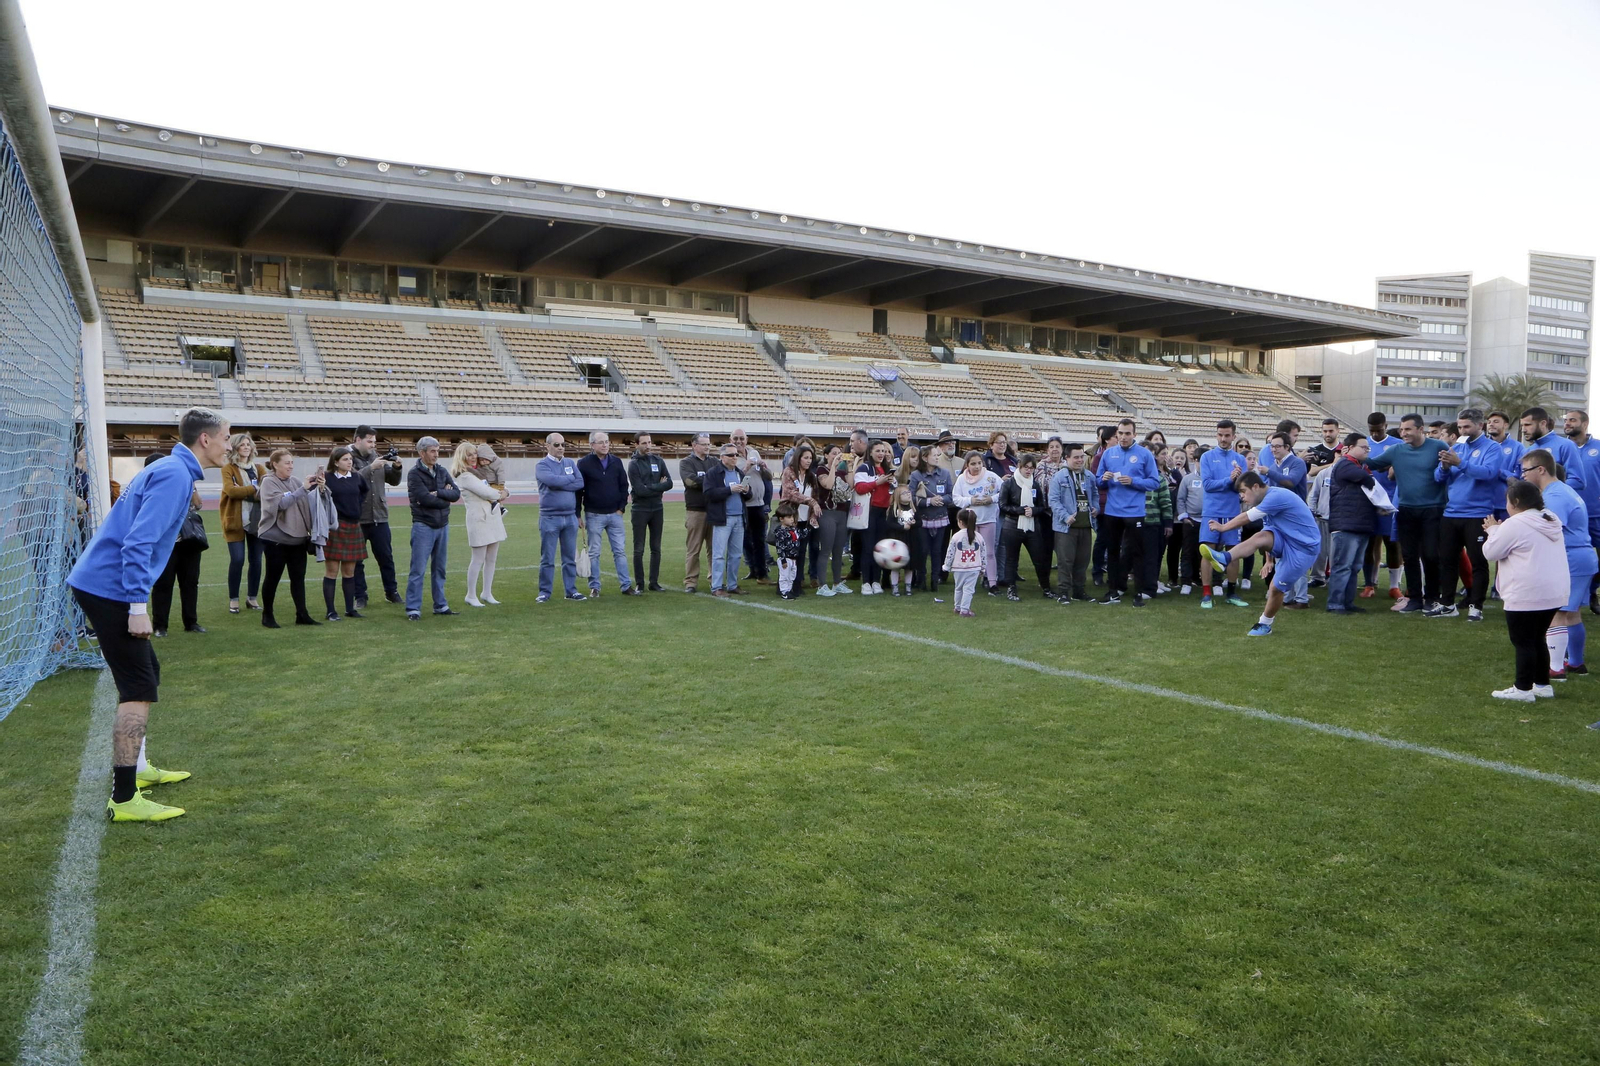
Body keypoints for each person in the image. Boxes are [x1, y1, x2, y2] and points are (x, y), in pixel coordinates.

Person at [67, 407, 229, 822]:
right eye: (226, 437)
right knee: (138, 687)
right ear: (206, 439)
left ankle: (138, 769)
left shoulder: (173, 469)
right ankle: (124, 799)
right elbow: (138, 543)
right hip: (110, 588)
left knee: (147, 673)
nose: (229, 446)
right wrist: (138, 608)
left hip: (102, 584)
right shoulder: (174, 474)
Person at [1201, 471, 1321, 637]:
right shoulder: (1266, 501)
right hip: (1286, 539)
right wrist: (1269, 561)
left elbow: (1248, 517)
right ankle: (1224, 558)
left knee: (1276, 588)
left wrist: (1223, 527)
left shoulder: (1276, 496)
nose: (1242, 497)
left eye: (1243, 491)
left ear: (1256, 487)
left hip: (1303, 549)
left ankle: (1265, 624)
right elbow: (1267, 534)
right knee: (1260, 536)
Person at [1481, 479, 1567, 701]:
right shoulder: (1550, 518)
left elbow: (1491, 552)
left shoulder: (1516, 523)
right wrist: (1498, 530)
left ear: (1516, 502)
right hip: (1553, 591)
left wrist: (1493, 530)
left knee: (1523, 641)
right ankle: (1542, 685)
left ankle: (1523, 689)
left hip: (1526, 592)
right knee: (1538, 638)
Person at [1517, 449, 1597, 680]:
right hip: (1581, 558)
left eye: (1526, 470)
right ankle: (1576, 663)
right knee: (1572, 614)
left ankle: (1555, 668)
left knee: (1556, 612)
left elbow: (1549, 529)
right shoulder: (1563, 490)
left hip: (1571, 558)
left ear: (1541, 470)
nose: (1523, 475)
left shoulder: (1555, 496)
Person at [1366, 413, 1450, 614]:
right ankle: (1415, 598)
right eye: (1401, 429)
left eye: (1408, 429)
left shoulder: (1438, 446)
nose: (1403, 433)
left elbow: (1449, 470)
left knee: (1431, 555)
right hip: (1405, 509)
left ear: (1421, 429)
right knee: (1409, 555)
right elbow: (1372, 464)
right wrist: (1350, 454)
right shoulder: (1396, 450)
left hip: (1433, 509)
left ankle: (1432, 597)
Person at [1431, 408, 1499, 621]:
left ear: (1480, 425)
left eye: (1467, 426)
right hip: (1452, 512)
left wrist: (1459, 463)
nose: (1462, 430)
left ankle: (1476, 606)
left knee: (1478, 562)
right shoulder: (1457, 447)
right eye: (1460, 427)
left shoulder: (1492, 448)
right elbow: (1438, 478)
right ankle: (1447, 604)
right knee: (1447, 560)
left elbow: (1489, 473)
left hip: (1477, 513)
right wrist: (1444, 467)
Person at [1093, 418, 1158, 607]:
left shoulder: (1144, 454)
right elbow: (1098, 481)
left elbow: (1154, 482)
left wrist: (1133, 481)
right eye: (1120, 433)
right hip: (1112, 512)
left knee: (1137, 553)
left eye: (1127, 433)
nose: (1123, 437)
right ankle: (1113, 591)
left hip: (1135, 512)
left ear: (1134, 434)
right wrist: (1103, 479)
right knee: (1113, 552)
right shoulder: (1108, 453)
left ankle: (1138, 593)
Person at [258, 448, 321, 629]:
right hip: (275, 539)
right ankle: (267, 615)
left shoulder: (295, 481)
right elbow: (281, 504)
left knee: (298, 578)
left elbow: (307, 501)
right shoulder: (268, 482)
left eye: (292, 462)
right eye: (287, 463)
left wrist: (317, 486)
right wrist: (303, 489)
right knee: (273, 578)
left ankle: (302, 614)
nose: (291, 466)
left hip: (298, 539)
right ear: (275, 464)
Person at [148, 455, 206, 638]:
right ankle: (160, 626)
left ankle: (191, 622)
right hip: (165, 544)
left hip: (189, 540)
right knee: (163, 584)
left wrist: (192, 485)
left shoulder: (183, 482)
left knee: (190, 582)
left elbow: (198, 504)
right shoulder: (151, 488)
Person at [405, 435, 460, 620]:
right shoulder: (414, 474)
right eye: (432, 451)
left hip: (442, 525)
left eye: (438, 451)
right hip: (423, 525)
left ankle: (441, 605)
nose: (436, 454)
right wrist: (444, 498)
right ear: (422, 453)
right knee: (418, 569)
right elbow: (424, 498)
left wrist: (439, 493)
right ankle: (413, 608)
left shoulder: (442, 471)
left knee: (440, 568)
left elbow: (456, 494)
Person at [578, 430, 638, 597]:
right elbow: (579, 490)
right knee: (594, 552)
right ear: (592, 445)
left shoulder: (616, 461)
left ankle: (626, 586)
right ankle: (595, 587)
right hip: (594, 514)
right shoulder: (583, 464)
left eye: (606, 441)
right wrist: (577, 513)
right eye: (601, 442)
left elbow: (624, 486)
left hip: (615, 515)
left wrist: (621, 508)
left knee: (620, 551)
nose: (605, 445)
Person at [1197, 419, 1249, 609]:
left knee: (1233, 552)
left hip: (1232, 512)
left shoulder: (1240, 459)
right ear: (1216, 435)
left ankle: (1231, 593)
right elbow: (1208, 485)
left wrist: (1238, 482)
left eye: (1227, 435)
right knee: (1207, 551)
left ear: (1234, 436)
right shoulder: (1207, 457)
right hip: (1211, 512)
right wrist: (1229, 479)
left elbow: (1241, 488)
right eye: (1220, 435)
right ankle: (1206, 594)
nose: (1223, 439)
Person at [350, 425, 403, 608]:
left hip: (379, 516)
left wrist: (397, 467)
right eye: (369, 441)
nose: (373, 445)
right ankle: (360, 596)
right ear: (358, 440)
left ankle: (391, 592)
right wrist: (370, 468)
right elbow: (350, 481)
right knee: (357, 561)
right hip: (357, 517)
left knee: (386, 557)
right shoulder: (346, 457)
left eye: (374, 441)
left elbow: (393, 481)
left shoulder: (376, 456)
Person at [1326, 434, 1377, 614]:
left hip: (1358, 524)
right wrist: (1369, 477)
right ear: (1350, 448)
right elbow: (1366, 479)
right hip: (1346, 525)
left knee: (1354, 567)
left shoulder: (1358, 465)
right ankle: (1335, 604)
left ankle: (1347, 603)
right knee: (1342, 566)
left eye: (1367, 448)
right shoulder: (1345, 464)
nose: (1367, 450)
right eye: (1363, 447)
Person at [1258, 433, 1310, 606]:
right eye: (1272, 446)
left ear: (1287, 447)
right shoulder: (1275, 466)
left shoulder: (1297, 463)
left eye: (1277, 446)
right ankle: (1286, 596)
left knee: (1297, 557)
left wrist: (1269, 472)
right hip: (1280, 518)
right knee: (1282, 557)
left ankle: (1301, 598)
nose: (1273, 449)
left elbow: (1291, 482)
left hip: (1296, 518)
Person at [320, 444, 370, 620]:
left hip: (353, 526)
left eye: (350, 459)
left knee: (349, 572)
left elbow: (364, 491)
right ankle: (331, 611)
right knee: (332, 571)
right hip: (335, 527)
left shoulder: (356, 477)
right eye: (345, 459)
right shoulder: (326, 477)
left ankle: (350, 609)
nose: (350, 462)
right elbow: (316, 495)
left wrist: (356, 505)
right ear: (335, 462)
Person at [456, 442, 509, 606]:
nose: (473, 457)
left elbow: (492, 488)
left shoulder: (479, 473)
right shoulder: (465, 476)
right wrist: (504, 493)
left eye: (474, 454)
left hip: (492, 518)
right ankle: (471, 595)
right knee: (478, 559)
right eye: (469, 455)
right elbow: (487, 492)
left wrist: (501, 492)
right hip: (479, 520)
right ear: (462, 457)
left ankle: (487, 593)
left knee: (491, 559)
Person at [536, 432, 586, 603]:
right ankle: (544, 592)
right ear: (547, 446)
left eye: (563, 445)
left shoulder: (570, 463)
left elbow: (580, 483)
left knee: (569, 558)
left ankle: (571, 591)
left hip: (570, 517)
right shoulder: (542, 465)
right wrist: (568, 479)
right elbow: (552, 481)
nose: (561, 448)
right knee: (547, 558)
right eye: (556, 445)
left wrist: (561, 482)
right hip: (550, 517)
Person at [220, 433, 265, 614]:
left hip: (257, 521)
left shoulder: (259, 468)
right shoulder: (228, 469)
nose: (246, 447)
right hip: (235, 521)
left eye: (248, 444)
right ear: (235, 448)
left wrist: (244, 491)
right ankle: (234, 599)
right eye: (242, 444)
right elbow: (231, 492)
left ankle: (252, 597)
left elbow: (266, 492)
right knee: (237, 560)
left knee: (256, 561)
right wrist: (254, 488)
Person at [1048, 443, 1097, 604]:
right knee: (1065, 561)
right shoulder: (1059, 477)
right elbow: (1053, 501)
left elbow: (1095, 494)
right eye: (1076, 457)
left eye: (1081, 457)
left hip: (1085, 526)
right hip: (1066, 528)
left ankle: (1079, 591)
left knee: (1082, 562)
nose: (1080, 460)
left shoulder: (1089, 476)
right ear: (1067, 458)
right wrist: (1065, 516)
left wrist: (1095, 508)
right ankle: (1063, 592)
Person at [999, 453, 1052, 601]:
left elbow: (1041, 506)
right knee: (1011, 559)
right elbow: (1002, 505)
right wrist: (1020, 510)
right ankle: (1011, 589)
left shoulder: (1034, 484)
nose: (1028, 471)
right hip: (1012, 525)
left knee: (1039, 558)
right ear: (1019, 467)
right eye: (1026, 467)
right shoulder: (1009, 484)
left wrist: (1033, 510)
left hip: (1032, 526)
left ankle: (1046, 588)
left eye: (1031, 468)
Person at [1363, 412, 1404, 600]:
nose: (1375, 434)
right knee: (1368, 544)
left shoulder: (1398, 444)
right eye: (1372, 430)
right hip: (1367, 501)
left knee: (1392, 543)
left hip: (1390, 500)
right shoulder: (1363, 444)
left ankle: (1394, 586)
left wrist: (1391, 467)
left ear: (1386, 426)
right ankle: (1369, 584)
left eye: (1379, 430)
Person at [1563, 409, 1600, 612]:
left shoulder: (1598, 447)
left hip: (1596, 514)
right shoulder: (1562, 447)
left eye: (1572, 420)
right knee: (1567, 559)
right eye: (1566, 420)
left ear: (1585, 424)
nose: (1567, 423)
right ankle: (1568, 598)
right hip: (1569, 515)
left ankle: (1592, 591)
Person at [704, 441, 751, 597]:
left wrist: (746, 490)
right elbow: (709, 493)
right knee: (719, 554)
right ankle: (716, 586)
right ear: (722, 457)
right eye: (731, 455)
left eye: (736, 454)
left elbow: (748, 496)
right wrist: (729, 490)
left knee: (736, 554)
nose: (734, 457)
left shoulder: (739, 473)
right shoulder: (713, 473)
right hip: (723, 519)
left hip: (739, 518)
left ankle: (732, 584)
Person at [627, 433, 672, 592]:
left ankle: (654, 582)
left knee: (656, 547)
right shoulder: (633, 464)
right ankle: (640, 583)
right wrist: (658, 487)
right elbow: (639, 490)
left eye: (649, 442)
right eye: (644, 443)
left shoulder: (658, 461)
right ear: (636, 444)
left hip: (657, 508)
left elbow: (669, 483)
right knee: (639, 548)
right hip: (640, 509)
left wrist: (650, 487)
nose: (648, 446)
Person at [952, 450, 1002, 591]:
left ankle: (992, 582)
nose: (977, 467)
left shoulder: (991, 477)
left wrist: (991, 499)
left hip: (988, 519)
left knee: (989, 552)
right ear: (967, 465)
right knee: (970, 551)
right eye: (973, 464)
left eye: (979, 463)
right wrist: (970, 501)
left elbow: (1004, 491)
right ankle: (969, 580)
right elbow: (956, 498)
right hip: (970, 522)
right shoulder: (962, 479)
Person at [729, 428, 772, 587]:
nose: (739, 441)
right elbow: (734, 479)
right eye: (736, 438)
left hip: (758, 504)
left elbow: (767, 477)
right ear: (730, 439)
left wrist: (764, 467)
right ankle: (753, 569)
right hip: (743, 504)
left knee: (759, 540)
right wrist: (746, 467)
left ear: (747, 439)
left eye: (742, 438)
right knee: (745, 541)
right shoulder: (731, 456)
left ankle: (762, 573)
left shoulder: (754, 452)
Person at [909, 448, 954, 598]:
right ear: (925, 457)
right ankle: (921, 580)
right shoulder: (916, 475)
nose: (937, 457)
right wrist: (929, 501)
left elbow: (951, 495)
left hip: (941, 518)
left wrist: (942, 499)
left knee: (937, 551)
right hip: (923, 520)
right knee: (923, 550)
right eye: (934, 455)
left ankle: (935, 581)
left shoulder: (945, 473)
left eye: (938, 455)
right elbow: (910, 497)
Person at [854, 440, 896, 594]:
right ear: (870, 452)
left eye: (883, 451)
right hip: (869, 511)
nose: (881, 454)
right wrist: (877, 482)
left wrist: (892, 483)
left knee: (879, 547)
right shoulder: (864, 468)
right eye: (878, 451)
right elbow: (859, 488)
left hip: (883, 512)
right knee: (868, 547)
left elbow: (891, 491)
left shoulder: (887, 469)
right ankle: (866, 582)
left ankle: (876, 581)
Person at [815, 443, 853, 596]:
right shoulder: (821, 470)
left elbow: (851, 485)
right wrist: (833, 467)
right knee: (826, 549)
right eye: (833, 453)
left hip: (841, 513)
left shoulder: (842, 472)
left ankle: (837, 583)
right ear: (826, 455)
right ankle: (822, 585)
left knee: (838, 551)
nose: (837, 456)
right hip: (827, 512)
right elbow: (828, 485)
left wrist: (850, 466)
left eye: (839, 453)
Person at [679, 433, 714, 593]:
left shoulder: (714, 461)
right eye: (704, 444)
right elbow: (690, 481)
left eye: (708, 444)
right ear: (694, 445)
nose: (707, 447)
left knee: (714, 550)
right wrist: (711, 481)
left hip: (713, 511)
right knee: (693, 549)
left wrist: (705, 482)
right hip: (695, 511)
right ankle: (691, 582)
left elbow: (721, 479)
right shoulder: (686, 462)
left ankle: (715, 580)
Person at [1521, 407, 1586, 493]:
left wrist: (1549, 490)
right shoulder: (1528, 451)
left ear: (1543, 424)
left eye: (1528, 425)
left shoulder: (1566, 445)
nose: (1523, 430)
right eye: (1522, 425)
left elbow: (1578, 481)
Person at [889, 444, 921, 594]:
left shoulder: (914, 508)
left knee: (910, 565)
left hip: (911, 539)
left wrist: (913, 524)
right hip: (898, 538)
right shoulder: (894, 509)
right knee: (896, 565)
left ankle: (909, 586)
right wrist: (902, 527)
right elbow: (890, 523)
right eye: (904, 494)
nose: (908, 495)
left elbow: (919, 521)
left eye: (909, 493)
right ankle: (894, 586)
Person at [1170, 449, 1203, 595]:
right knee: (1188, 552)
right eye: (1200, 461)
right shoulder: (1188, 479)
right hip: (1191, 520)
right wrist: (1184, 516)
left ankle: (1210, 581)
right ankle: (1186, 582)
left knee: (1206, 553)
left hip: (1207, 521)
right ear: (1195, 461)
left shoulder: (1212, 478)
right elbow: (1181, 499)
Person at [944, 508, 985, 617]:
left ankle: (958, 607)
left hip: (958, 568)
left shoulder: (956, 536)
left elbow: (950, 553)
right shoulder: (979, 537)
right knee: (968, 590)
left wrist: (947, 566)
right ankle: (964, 610)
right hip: (974, 568)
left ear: (960, 522)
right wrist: (983, 568)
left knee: (958, 588)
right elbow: (983, 554)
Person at [772, 501, 811, 600]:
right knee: (784, 576)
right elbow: (780, 547)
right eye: (789, 517)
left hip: (794, 558)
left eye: (792, 517)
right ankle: (784, 592)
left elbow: (801, 535)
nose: (792, 519)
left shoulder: (793, 530)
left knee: (791, 576)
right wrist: (783, 560)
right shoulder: (780, 532)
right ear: (781, 519)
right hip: (786, 558)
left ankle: (789, 590)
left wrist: (809, 528)